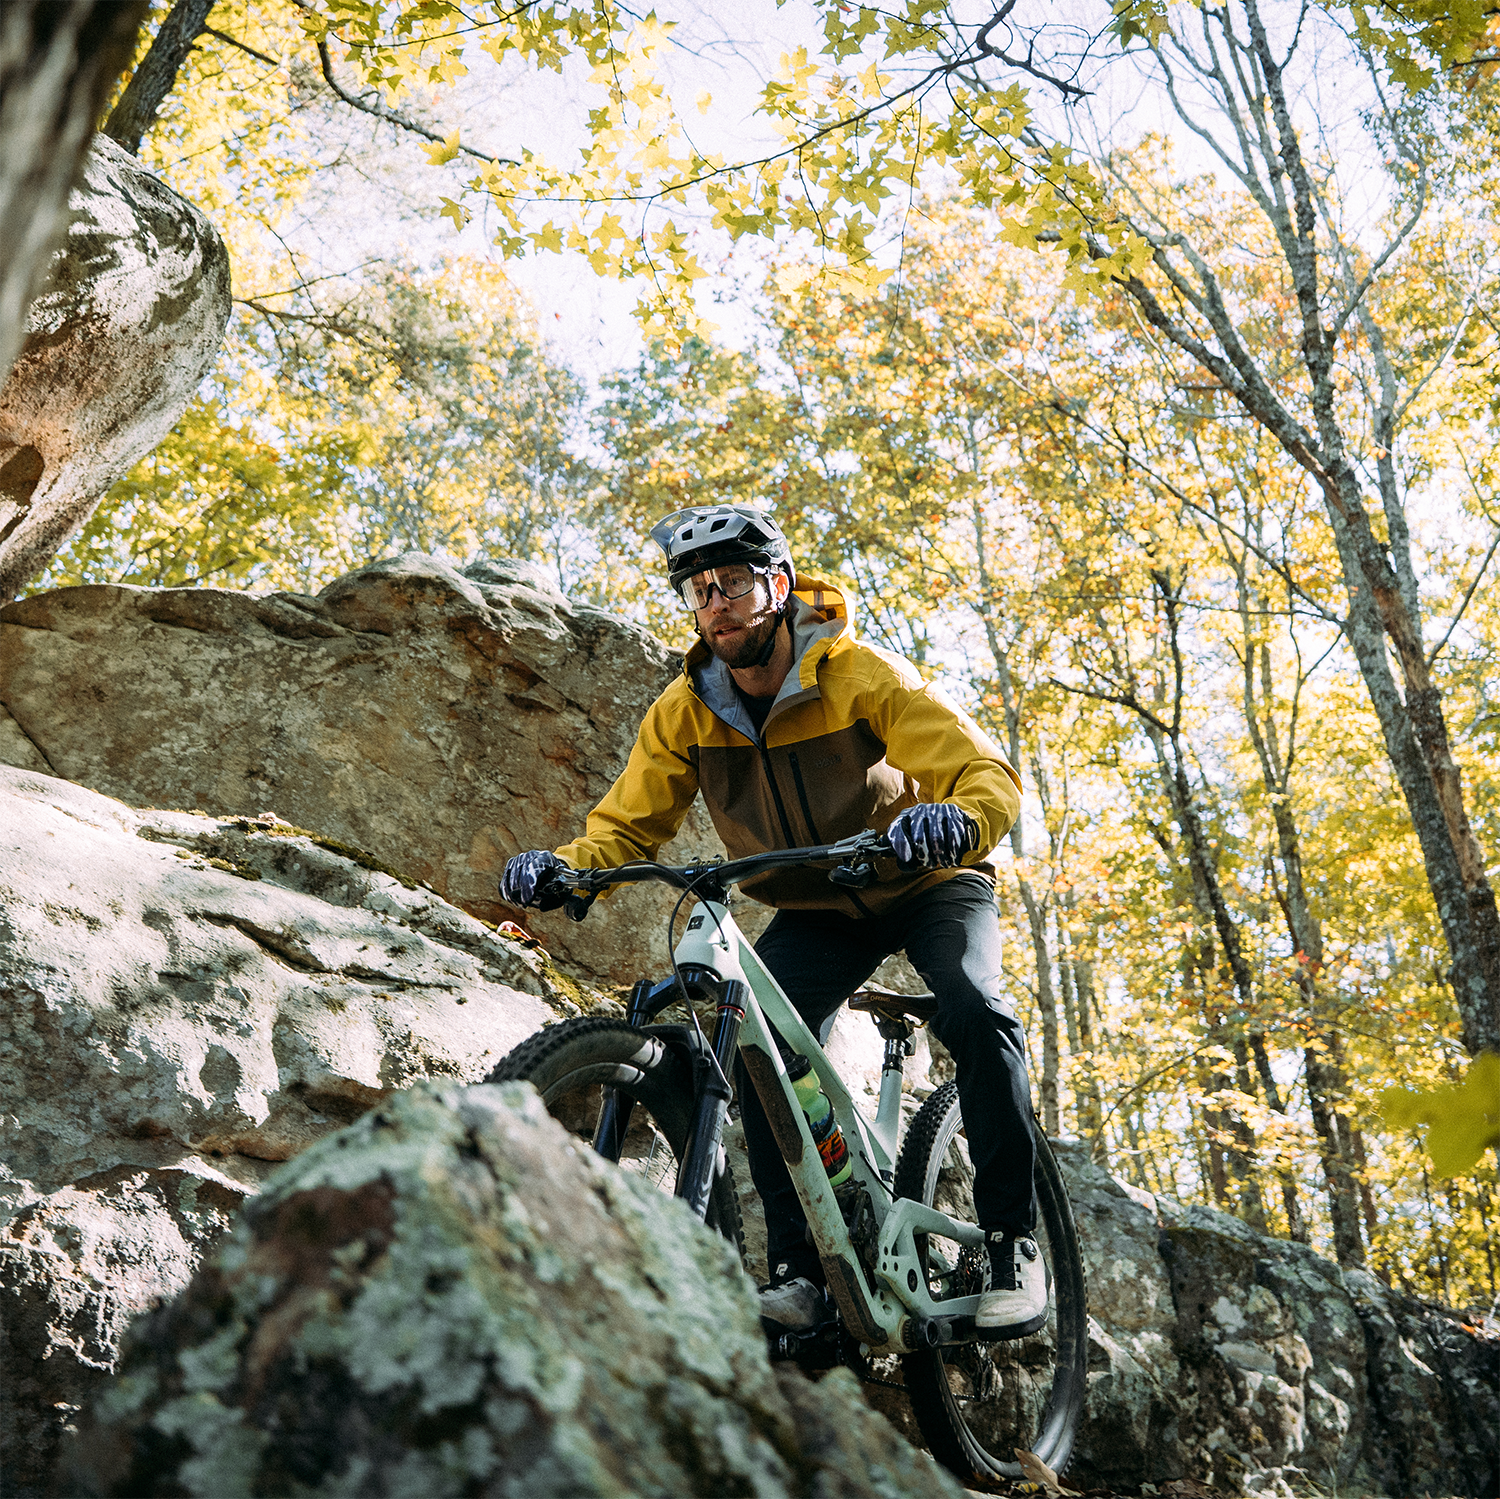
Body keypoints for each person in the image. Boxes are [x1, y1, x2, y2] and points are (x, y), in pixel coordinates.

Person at [500, 503, 1045, 1337]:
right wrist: (567, 871)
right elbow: (625, 826)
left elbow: (984, 772)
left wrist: (957, 819)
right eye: (698, 588)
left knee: (977, 1009)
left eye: (733, 583)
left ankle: (1013, 1245)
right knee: (752, 1042)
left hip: (928, 878)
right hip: (816, 904)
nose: (715, 601)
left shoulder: (861, 674)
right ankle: (807, 1277)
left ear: (779, 586)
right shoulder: (686, 710)